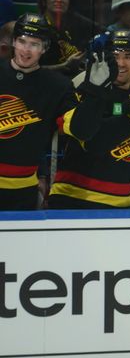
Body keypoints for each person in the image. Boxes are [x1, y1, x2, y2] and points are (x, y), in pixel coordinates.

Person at [49, 30, 130, 209]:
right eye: (115, 55)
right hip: (75, 198)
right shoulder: (87, 88)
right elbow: (92, 141)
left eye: (128, 56)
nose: (121, 63)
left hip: (122, 202)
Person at [0, 13, 78, 210]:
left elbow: (73, 130)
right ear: (14, 42)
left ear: (45, 48)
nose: (26, 50)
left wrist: (95, 93)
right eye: (22, 42)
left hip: (23, 189)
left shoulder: (58, 86)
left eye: (34, 44)